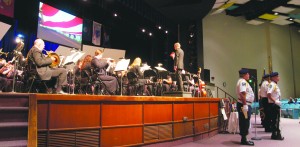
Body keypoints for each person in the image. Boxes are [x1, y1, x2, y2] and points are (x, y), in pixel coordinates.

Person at [236, 69, 254, 146]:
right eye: (248, 74)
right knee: (245, 121)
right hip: (244, 104)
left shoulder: (241, 81)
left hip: (244, 104)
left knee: (244, 121)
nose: (249, 76)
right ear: (245, 74)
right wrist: (245, 105)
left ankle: (244, 138)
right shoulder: (243, 82)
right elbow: (242, 94)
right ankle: (244, 139)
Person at [267, 72, 284, 140]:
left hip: (275, 104)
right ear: (273, 77)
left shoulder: (275, 85)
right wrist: (275, 101)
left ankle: (275, 134)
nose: (278, 77)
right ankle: (276, 134)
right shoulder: (272, 84)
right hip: (274, 104)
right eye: (277, 76)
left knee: (276, 120)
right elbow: (268, 94)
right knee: (275, 120)